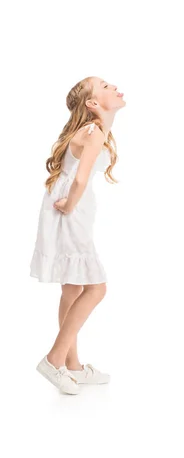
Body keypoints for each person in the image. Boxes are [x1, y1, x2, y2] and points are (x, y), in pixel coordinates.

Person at [30, 76, 126, 394]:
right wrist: (70, 205)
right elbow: (81, 180)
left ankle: (72, 366)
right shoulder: (93, 132)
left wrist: (71, 203)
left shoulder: (93, 130)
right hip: (69, 209)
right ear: (92, 103)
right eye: (105, 85)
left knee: (72, 288)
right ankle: (54, 359)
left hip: (67, 207)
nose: (114, 86)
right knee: (96, 288)